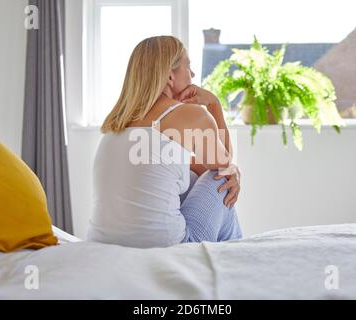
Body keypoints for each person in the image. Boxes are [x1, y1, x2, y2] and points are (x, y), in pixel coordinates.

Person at [87, 35, 242, 248]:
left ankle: (234, 250)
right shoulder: (193, 115)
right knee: (222, 177)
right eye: (189, 67)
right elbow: (223, 165)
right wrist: (214, 105)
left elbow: (171, 168)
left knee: (191, 176)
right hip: (169, 245)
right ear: (170, 77)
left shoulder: (116, 123)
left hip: (102, 240)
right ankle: (238, 254)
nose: (193, 74)